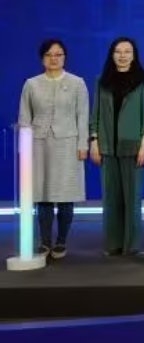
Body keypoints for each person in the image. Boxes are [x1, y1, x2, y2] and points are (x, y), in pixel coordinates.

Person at [18, 39, 88, 259]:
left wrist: (83, 144)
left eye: (58, 54)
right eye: (49, 55)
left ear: (64, 57)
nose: (54, 59)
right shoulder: (31, 84)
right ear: (42, 59)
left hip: (68, 144)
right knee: (43, 195)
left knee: (66, 194)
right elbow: (24, 118)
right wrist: (24, 148)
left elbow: (82, 116)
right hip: (39, 145)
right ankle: (45, 241)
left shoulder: (77, 83)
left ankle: (61, 241)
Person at [89, 36, 144, 256]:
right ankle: (112, 244)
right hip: (107, 146)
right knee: (111, 199)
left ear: (134, 55)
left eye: (127, 51)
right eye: (118, 51)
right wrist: (94, 141)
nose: (122, 55)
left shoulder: (143, 80)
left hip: (133, 146)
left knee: (132, 198)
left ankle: (132, 245)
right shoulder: (101, 80)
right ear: (112, 55)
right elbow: (95, 113)